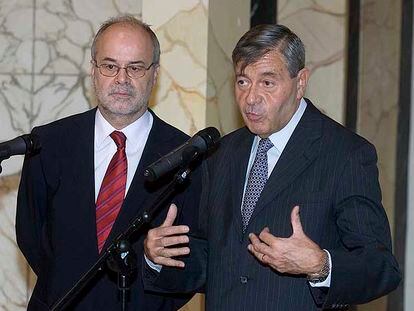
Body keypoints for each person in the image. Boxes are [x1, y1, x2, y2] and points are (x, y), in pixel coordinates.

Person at [143, 24, 401, 310]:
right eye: (242, 82)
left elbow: (381, 268)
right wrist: (161, 257)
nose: (251, 98)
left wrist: (320, 265)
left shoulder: (345, 154)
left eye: (267, 82)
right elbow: (214, 261)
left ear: (300, 82)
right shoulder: (222, 154)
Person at [16, 15, 201, 310]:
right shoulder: (49, 143)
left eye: (135, 67)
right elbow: (31, 236)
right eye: (110, 66)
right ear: (93, 71)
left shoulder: (187, 156)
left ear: (155, 74)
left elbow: (192, 262)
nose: (122, 79)